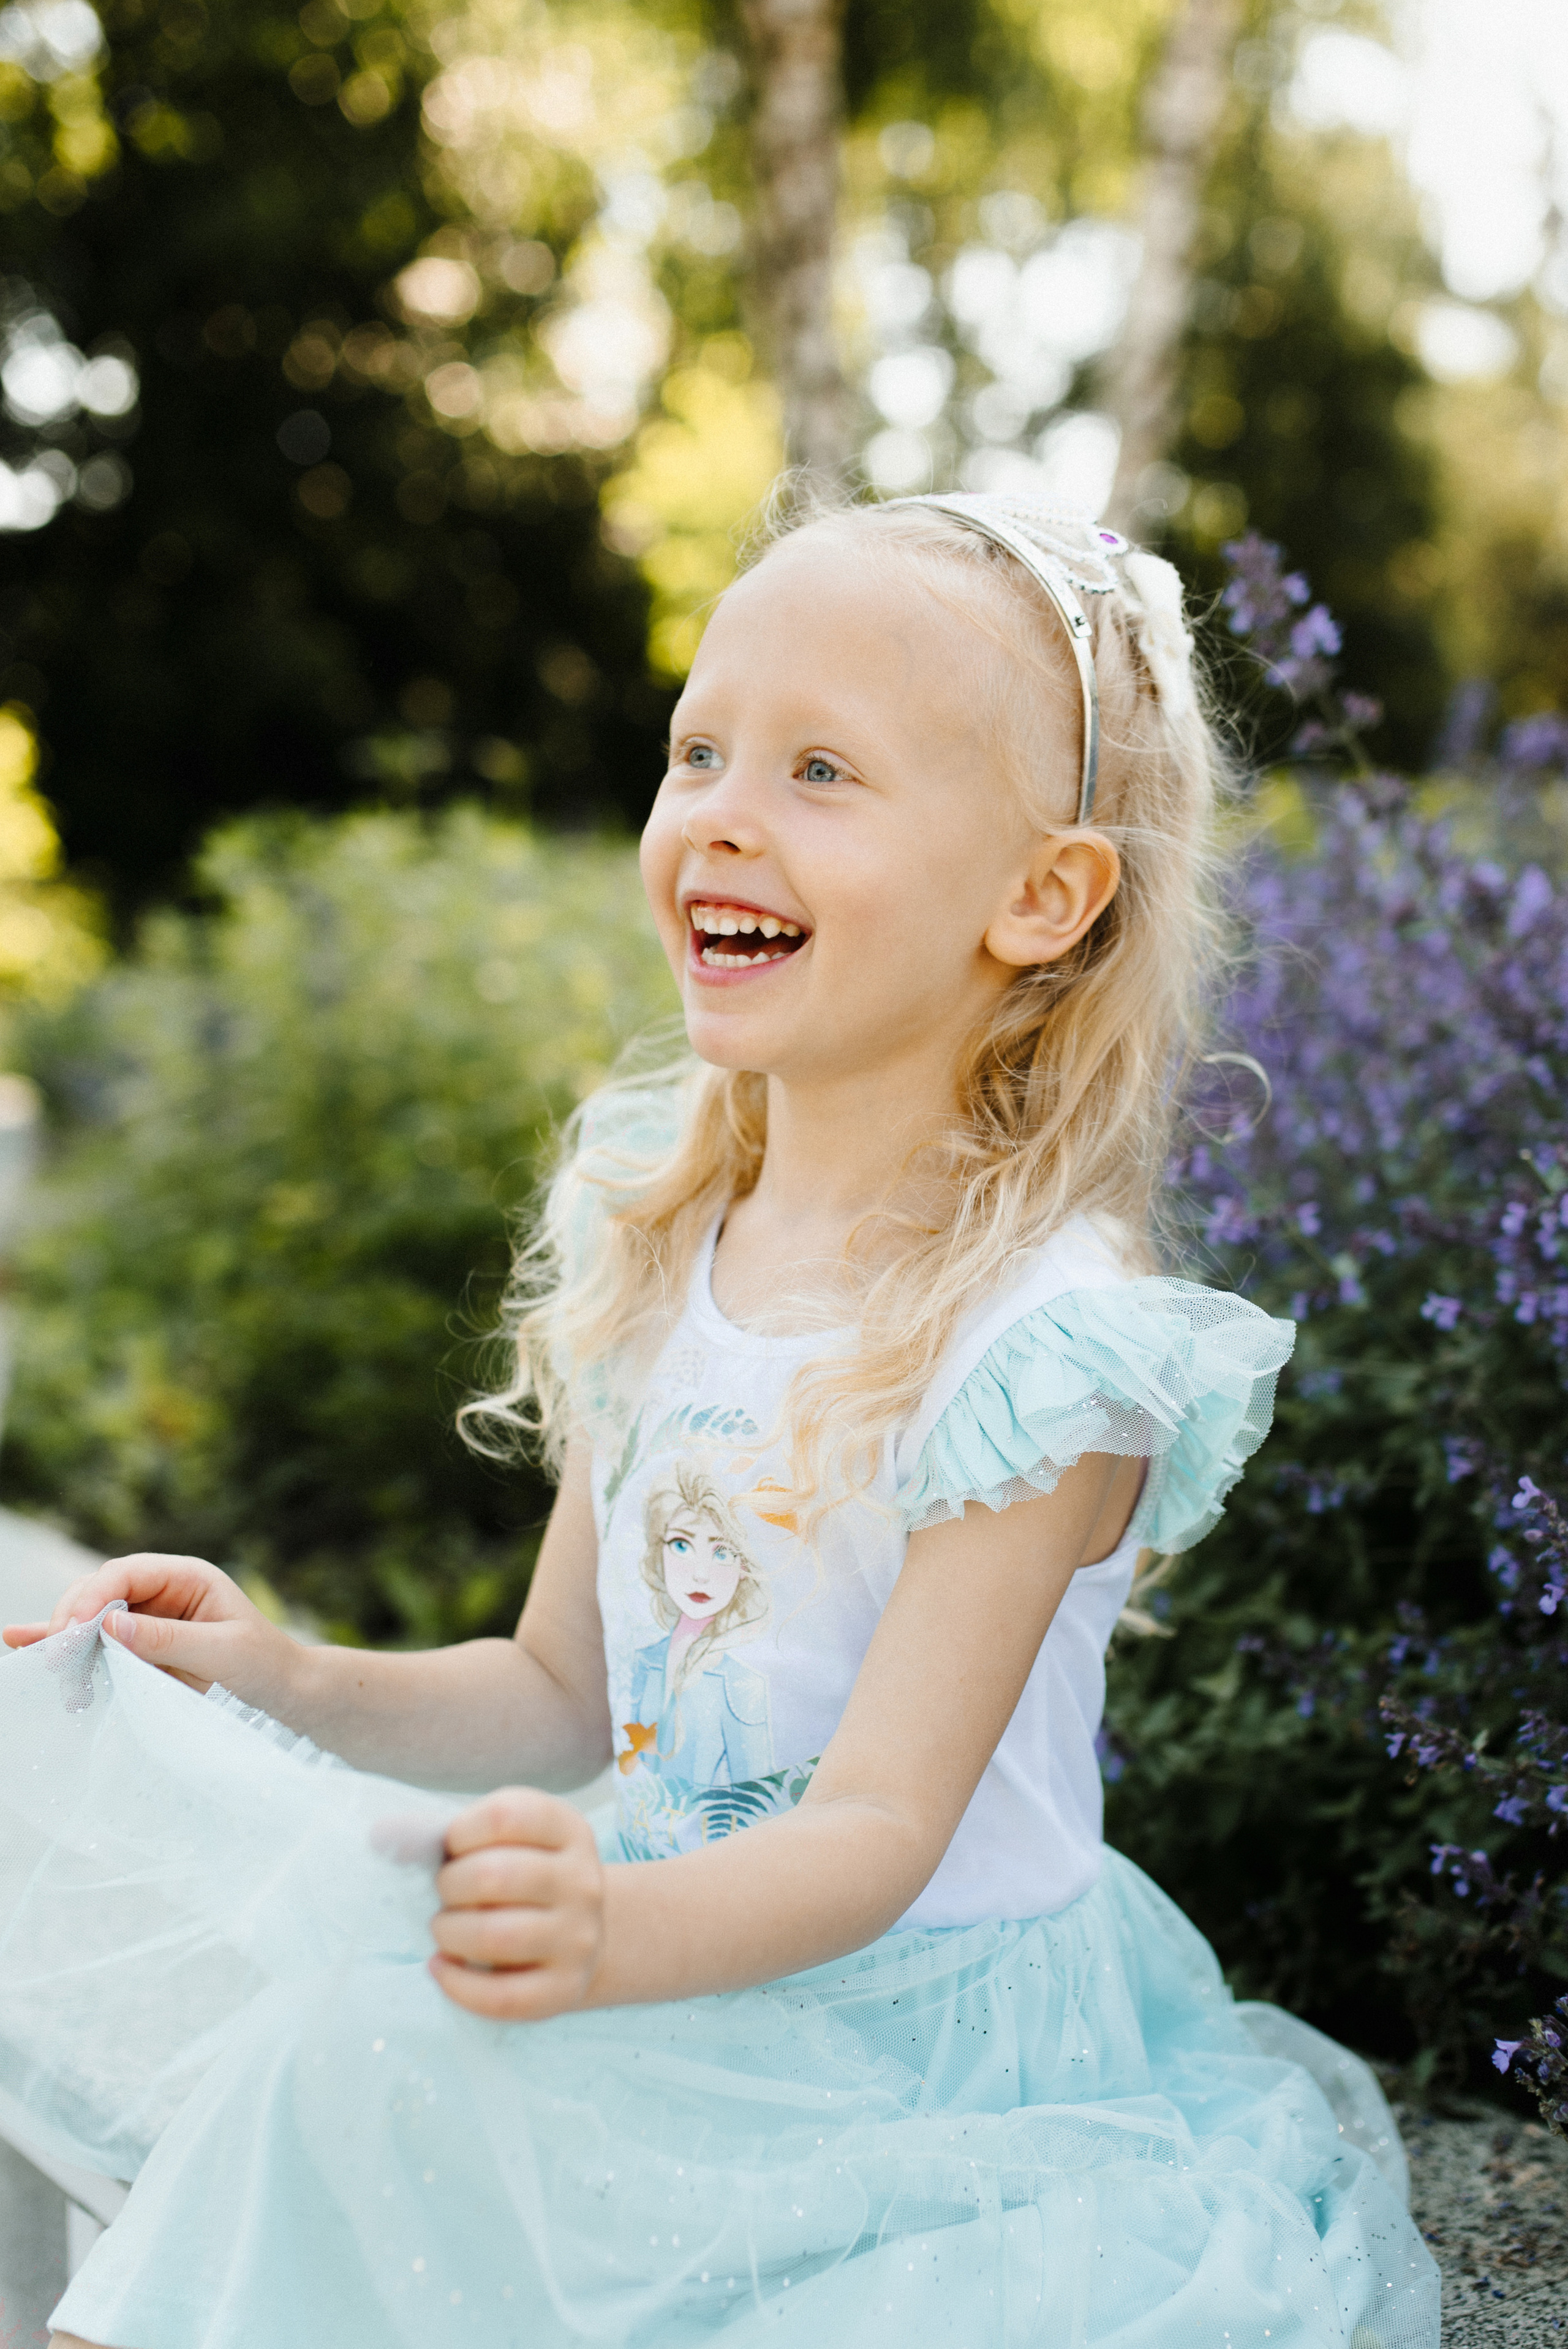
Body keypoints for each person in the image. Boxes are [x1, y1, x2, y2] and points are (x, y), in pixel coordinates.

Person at [0, 489, 1439, 2348]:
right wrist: (286, 1673)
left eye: (824, 766)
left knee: (358, 2068)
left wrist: (607, 1936)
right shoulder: (661, 1223)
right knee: (327, 2063)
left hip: (911, 2046)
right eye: (701, 749)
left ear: (1043, 894)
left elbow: (876, 1833)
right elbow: (558, 1691)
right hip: (678, 1958)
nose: (723, 811)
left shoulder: (1044, 1347)